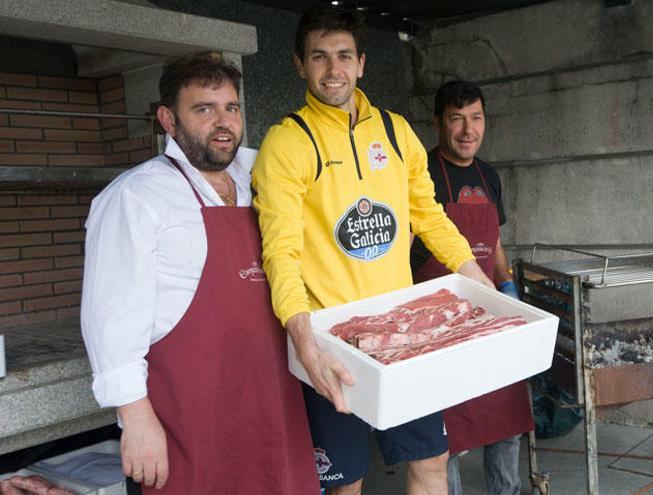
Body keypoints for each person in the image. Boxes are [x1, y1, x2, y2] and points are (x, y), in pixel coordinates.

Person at [251, 7, 494, 495]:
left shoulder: (396, 132)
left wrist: (474, 275)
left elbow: (428, 216)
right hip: (332, 341)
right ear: (300, 66)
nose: (333, 69)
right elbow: (280, 251)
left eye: (343, 56)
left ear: (361, 63)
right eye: (319, 57)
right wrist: (303, 340)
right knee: (346, 482)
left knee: (431, 459)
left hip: (403, 334)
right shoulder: (285, 144)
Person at [80, 54, 320, 495]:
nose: (223, 122)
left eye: (231, 107)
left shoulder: (259, 175)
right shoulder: (134, 198)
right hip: (189, 416)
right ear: (168, 120)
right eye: (204, 109)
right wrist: (135, 418)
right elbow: (111, 320)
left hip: (274, 400)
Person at [410, 80, 535, 495]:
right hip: (439, 324)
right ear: (438, 123)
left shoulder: (489, 174)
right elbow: (404, 246)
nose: (468, 130)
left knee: (506, 423)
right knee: (446, 436)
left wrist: (507, 282)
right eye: (457, 119)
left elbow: (494, 241)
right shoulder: (422, 173)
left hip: (489, 315)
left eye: (476, 118)